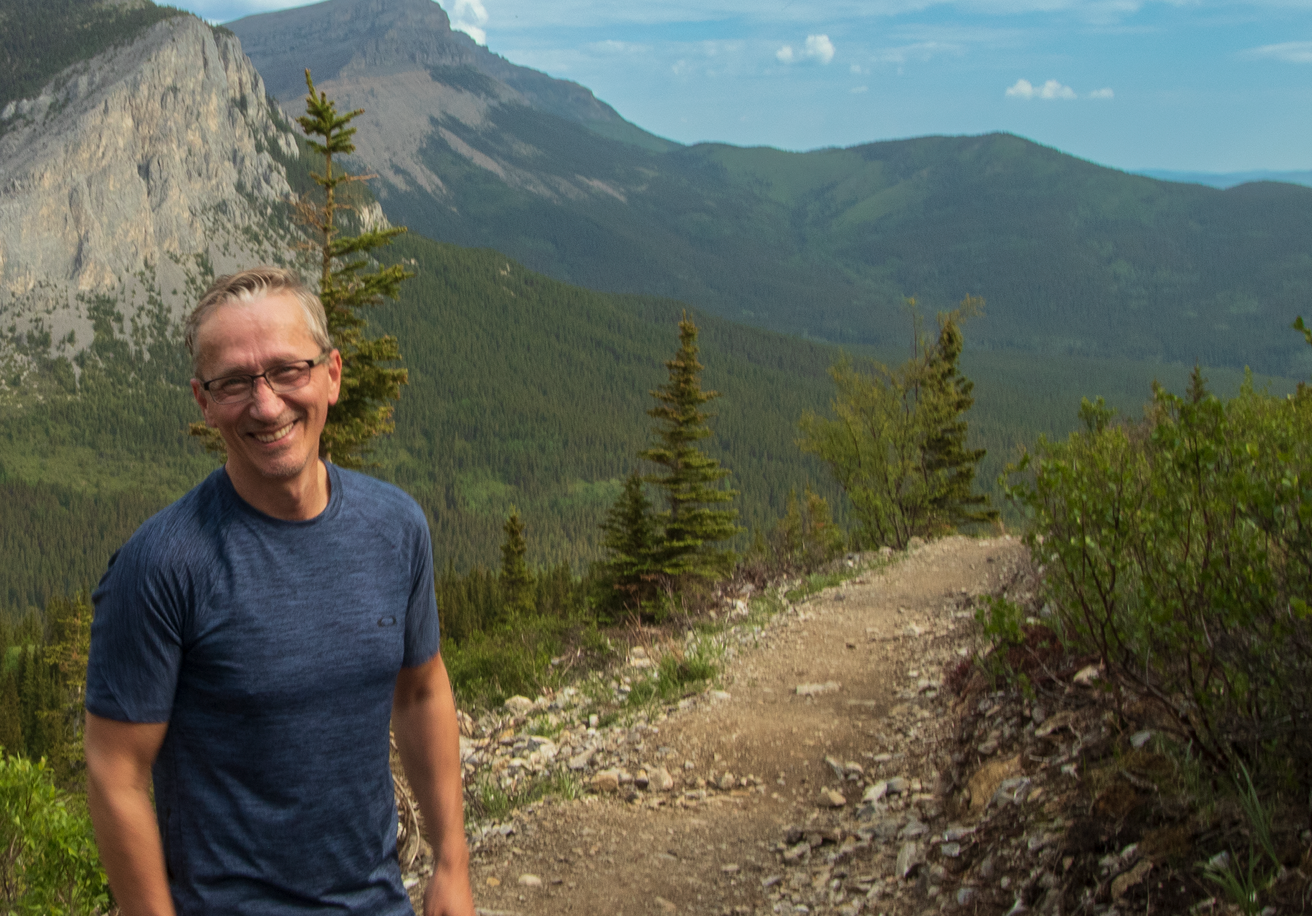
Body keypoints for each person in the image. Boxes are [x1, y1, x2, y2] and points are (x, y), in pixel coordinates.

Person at [83, 267, 474, 916]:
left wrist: (452, 864)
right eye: (234, 382)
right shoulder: (159, 566)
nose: (266, 405)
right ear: (203, 402)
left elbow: (423, 688)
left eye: (289, 370)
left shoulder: (396, 527)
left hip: (378, 902)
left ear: (332, 375)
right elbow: (115, 774)